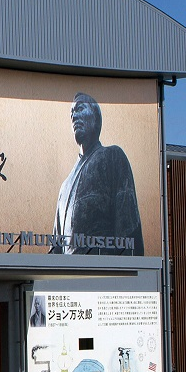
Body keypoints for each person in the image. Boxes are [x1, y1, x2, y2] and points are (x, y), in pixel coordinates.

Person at [48, 93, 144, 256]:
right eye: (72, 113)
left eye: (80, 108)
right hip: (68, 271)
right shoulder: (64, 187)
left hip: (103, 266)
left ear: (96, 118)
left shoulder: (112, 156)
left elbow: (129, 230)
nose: (74, 116)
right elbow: (55, 250)